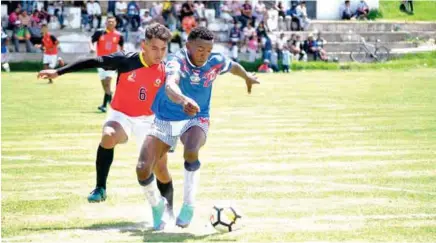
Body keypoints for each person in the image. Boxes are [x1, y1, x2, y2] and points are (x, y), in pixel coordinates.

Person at [37, 23, 176, 216]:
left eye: (163, 49)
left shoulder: (166, 71)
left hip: (149, 121)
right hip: (121, 115)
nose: (159, 53)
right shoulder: (125, 60)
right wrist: (58, 72)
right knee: (108, 136)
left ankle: (169, 211)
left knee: (161, 169)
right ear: (143, 45)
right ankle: (100, 188)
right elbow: (92, 62)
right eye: (154, 48)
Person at [135, 26, 259, 230]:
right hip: (165, 118)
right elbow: (170, 86)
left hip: (197, 117)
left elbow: (233, 66)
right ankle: (158, 207)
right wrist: (183, 100)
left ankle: (188, 205)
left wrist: (247, 77)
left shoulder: (215, 61)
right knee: (142, 168)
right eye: (200, 49)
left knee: (191, 151)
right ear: (188, 46)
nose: (204, 54)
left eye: (208, 50)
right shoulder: (178, 61)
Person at [89, 16, 124, 113]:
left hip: (112, 62)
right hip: (100, 61)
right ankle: (109, 103)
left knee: (108, 82)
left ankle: (107, 106)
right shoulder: (99, 32)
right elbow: (91, 41)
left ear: (115, 23)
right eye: (109, 22)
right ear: (106, 23)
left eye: (112, 22)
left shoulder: (119, 35)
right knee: (105, 85)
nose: (111, 23)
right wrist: (92, 47)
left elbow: (121, 48)